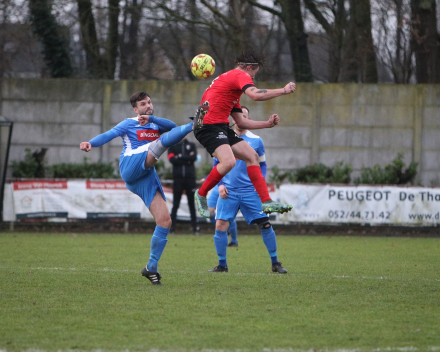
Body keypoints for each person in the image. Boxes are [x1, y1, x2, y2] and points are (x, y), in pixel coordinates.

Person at [80, 91, 194, 285]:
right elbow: (108, 135)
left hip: (146, 175)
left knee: (165, 221)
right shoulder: (128, 123)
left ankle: (151, 267)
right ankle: (194, 124)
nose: (148, 105)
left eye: (149, 102)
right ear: (135, 109)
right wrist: (91, 142)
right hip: (130, 166)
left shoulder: (156, 123)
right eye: (143, 104)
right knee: (160, 144)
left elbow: (172, 127)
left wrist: (152, 119)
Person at [192, 50, 296, 218]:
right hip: (207, 125)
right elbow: (255, 95)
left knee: (252, 156)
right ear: (249, 68)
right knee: (229, 162)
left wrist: (267, 124)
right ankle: (202, 193)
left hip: (219, 125)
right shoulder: (239, 76)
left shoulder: (231, 88)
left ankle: (267, 202)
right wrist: (283, 90)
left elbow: (240, 122)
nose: (252, 79)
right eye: (254, 75)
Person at [207, 106, 287, 274]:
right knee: (220, 225)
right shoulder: (224, 138)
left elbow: (263, 164)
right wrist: (220, 184)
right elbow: (217, 164)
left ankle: (275, 263)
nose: (240, 119)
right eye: (238, 116)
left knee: (265, 224)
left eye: (245, 116)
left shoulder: (256, 140)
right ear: (233, 118)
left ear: (248, 119)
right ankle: (222, 265)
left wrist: (260, 183)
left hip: (251, 191)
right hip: (229, 191)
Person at [167, 136, 199, 235]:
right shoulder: (173, 146)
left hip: (190, 179)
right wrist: (187, 158)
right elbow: (172, 159)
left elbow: (193, 158)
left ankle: (195, 228)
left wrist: (180, 156)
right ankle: (172, 228)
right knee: (175, 204)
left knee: (191, 204)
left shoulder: (191, 145)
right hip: (178, 180)